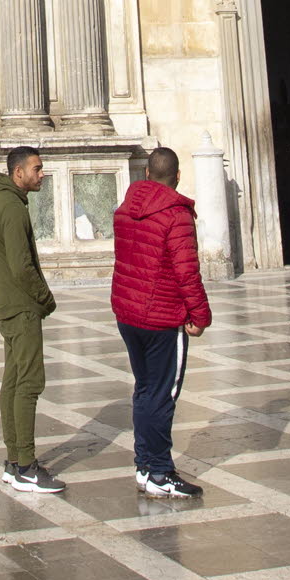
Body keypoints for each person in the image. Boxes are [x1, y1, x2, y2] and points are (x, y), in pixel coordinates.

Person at [110, 147, 210, 499]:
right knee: (162, 393)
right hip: (163, 316)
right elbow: (187, 271)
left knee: (144, 389)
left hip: (129, 313)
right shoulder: (176, 214)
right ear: (178, 176)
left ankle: (144, 465)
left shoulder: (125, 209)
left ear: (148, 174)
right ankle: (160, 470)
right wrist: (200, 316)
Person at [0, 146, 61, 493]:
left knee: (12, 382)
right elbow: (21, 266)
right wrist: (45, 298)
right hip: (22, 307)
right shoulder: (12, 208)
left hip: (6, 305)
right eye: (37, 168)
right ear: (18, 173)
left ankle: (14, 461)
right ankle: (27, 467)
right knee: (29, 383)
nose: (42, 174)